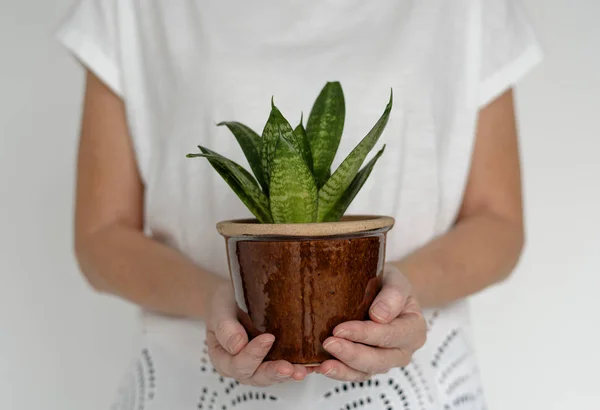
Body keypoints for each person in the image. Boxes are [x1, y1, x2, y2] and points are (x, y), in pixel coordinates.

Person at [57, 0, 543, 408]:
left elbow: (498, 221)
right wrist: (217, 299)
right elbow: (100, 238)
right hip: (192, 380)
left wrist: (396, 297)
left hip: (410, 386)